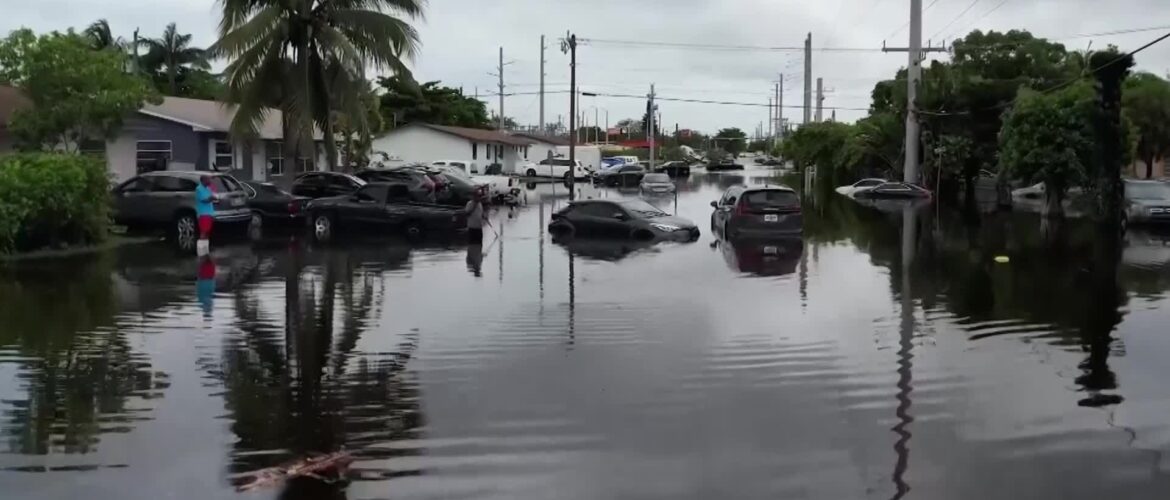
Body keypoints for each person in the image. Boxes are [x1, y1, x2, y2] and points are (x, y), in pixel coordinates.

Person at [195, 176, 217, 240]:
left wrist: (214, 197)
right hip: (203, 214)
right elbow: (204, 200)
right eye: (208, 179)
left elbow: (212, 197)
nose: (210, 181)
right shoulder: (198, 189)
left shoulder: (208, 188)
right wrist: (212, 198)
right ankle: (201, 247)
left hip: (210, 213)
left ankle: (206, 246)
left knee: (208, 231)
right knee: (203, 231)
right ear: (203, 181)